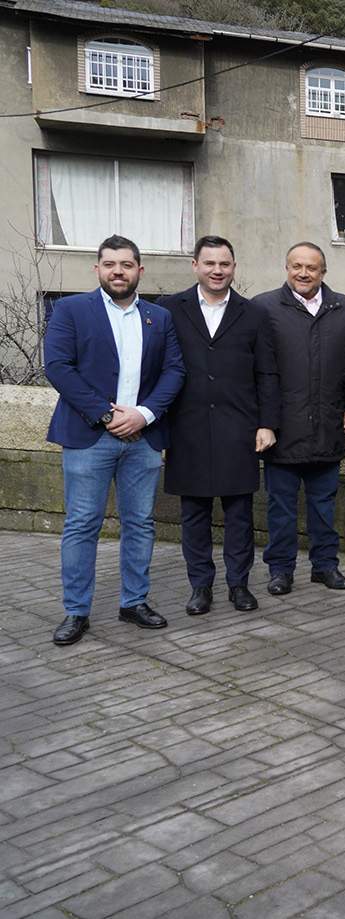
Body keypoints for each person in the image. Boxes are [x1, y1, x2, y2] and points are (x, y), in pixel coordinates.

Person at [44, 235, 185, 645]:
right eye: (110, 264)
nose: (118, 271)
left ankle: (134, 602)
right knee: (82, 524)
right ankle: (75, 611)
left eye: (126, 264)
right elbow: (57, 366)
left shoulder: (159, 317)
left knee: (140, 523)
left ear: (140, 270)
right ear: (98, 269)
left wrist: (143, 413)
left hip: (143, 436)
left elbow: (175, 371)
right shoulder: (70, 310)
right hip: (89, 436)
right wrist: (107, 415)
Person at [160, 235, 280, 616]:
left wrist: (267, 424)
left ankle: (239, 584)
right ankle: (200, 587)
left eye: (224, 264)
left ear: (234, 267)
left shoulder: (255, 313)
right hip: (187, 428)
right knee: (193, 514)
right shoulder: (169, 309)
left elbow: (267, 373)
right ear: (195, 265)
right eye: (209, 263)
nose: (217, 270)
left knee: (240, 514)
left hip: (238, 428)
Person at [255, 242, 345, 596]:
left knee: (324, 505)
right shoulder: (265, 307)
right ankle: (281, 570)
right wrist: (264, 421)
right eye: (297, 266)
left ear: (323, 272)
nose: (303, 273)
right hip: (282, 429)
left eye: (311, 268)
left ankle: (325, 566)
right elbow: (257, 370)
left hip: (327, 426)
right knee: (280, 508)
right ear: (286, 268)